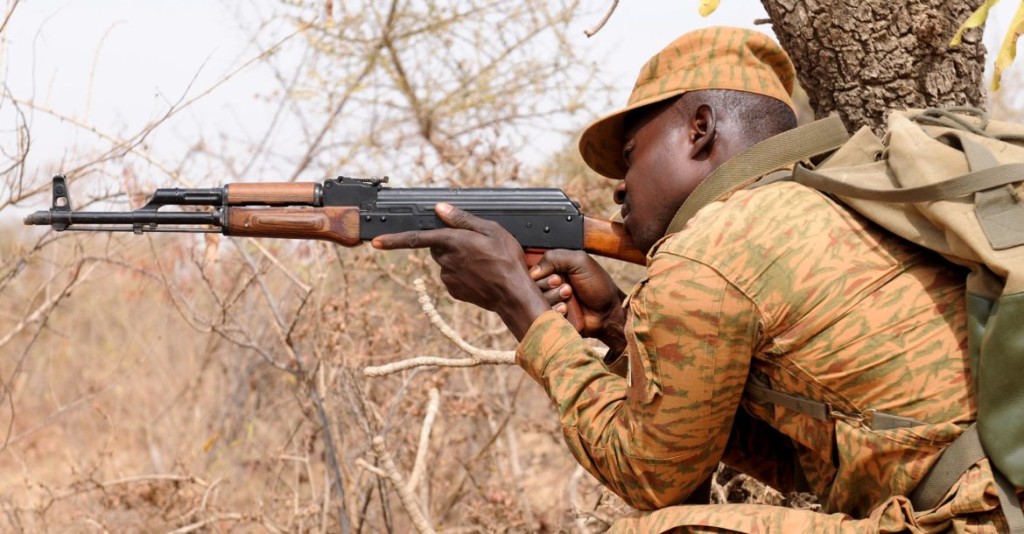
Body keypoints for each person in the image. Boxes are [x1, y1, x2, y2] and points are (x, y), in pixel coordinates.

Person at [373, 27, 1011, 532]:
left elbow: (651, 477)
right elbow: (802, 461)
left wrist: (523, 309)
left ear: (700, 130)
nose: (619, 186)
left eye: (630, 157)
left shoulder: (708, 252)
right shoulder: (824, 206)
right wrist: (620, 323)